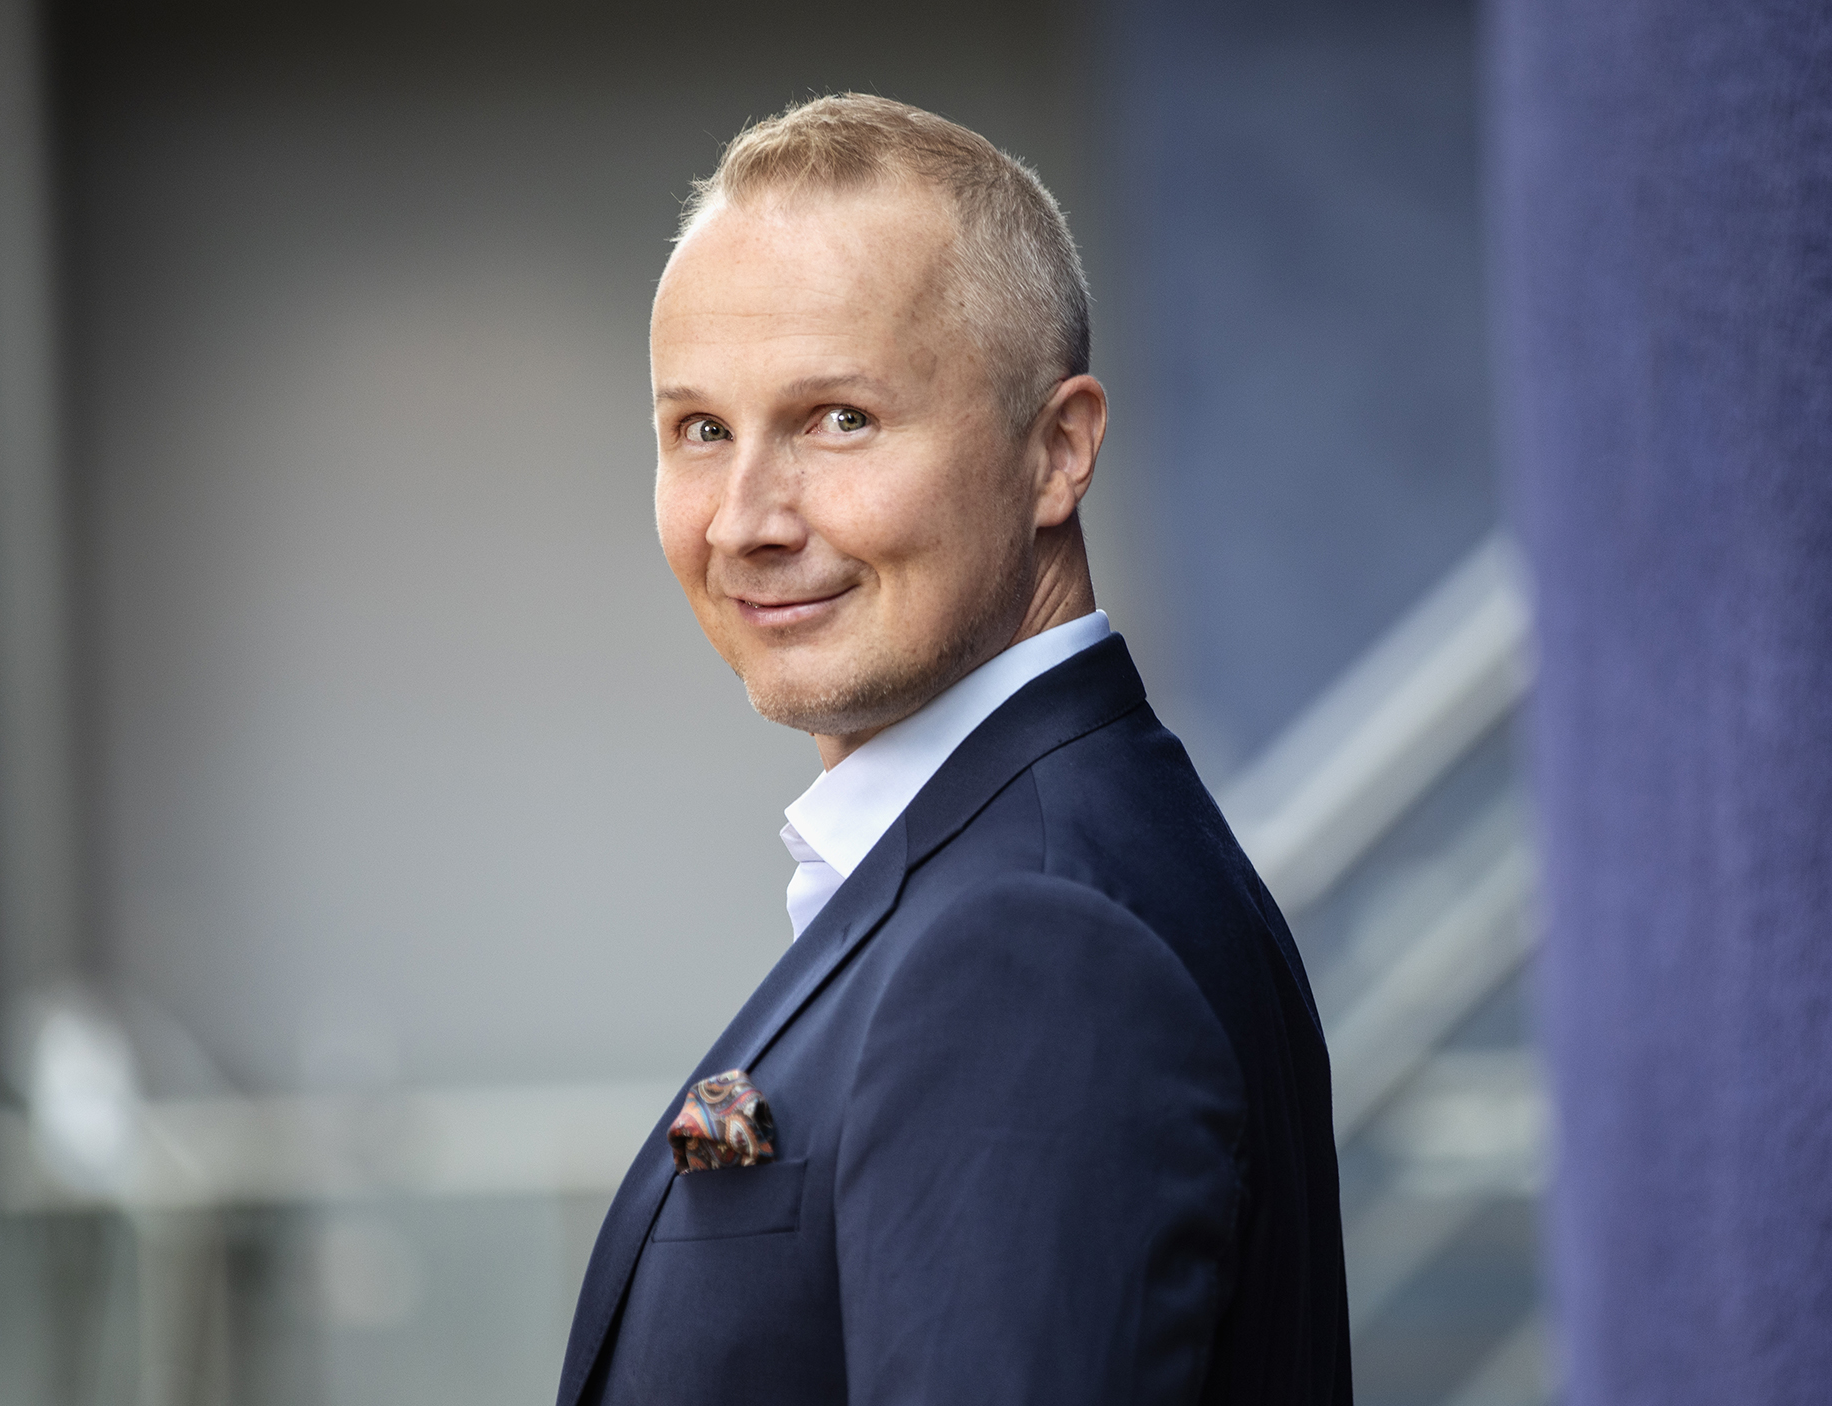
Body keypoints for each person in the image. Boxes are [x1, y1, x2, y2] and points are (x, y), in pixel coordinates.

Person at [555, 94, 1350, 1405]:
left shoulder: (1037, 946)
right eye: (701, 429)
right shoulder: (1025, 858)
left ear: (1058, 451)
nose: (745, 520)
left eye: (838, 418)